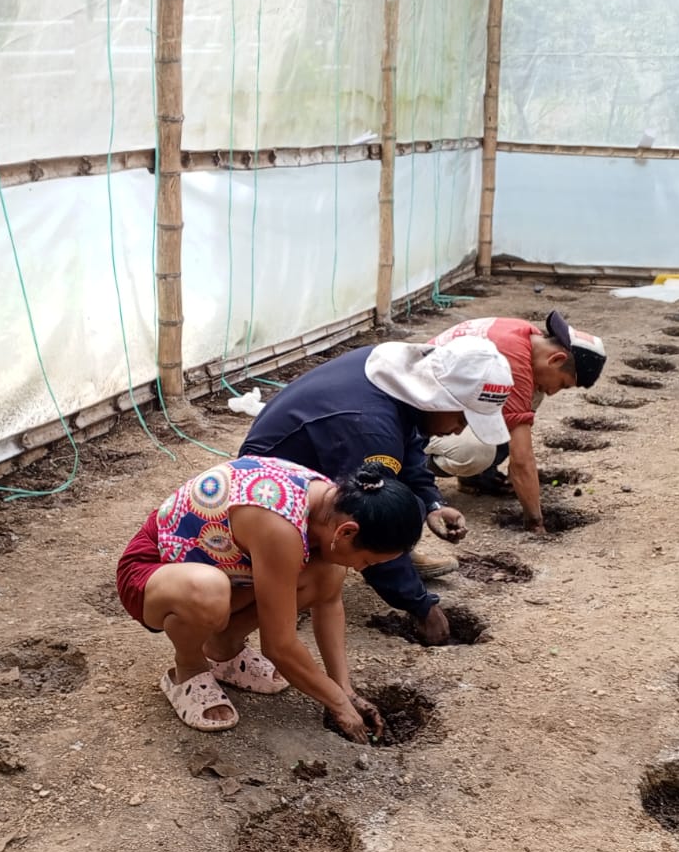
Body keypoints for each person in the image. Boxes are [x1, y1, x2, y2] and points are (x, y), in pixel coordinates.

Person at [115, 457, 423, 740]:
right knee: (208, 592)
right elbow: (279, 646)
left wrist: (345, 689)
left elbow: (328, 602)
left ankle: (224, 648)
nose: (360, 569)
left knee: (327, 573)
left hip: (222, 570)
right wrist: (338, 704)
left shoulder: (333, 504)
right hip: (152, 571)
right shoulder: (279, 527)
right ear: (346, 532)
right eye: (366, 560)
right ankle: (189, 667)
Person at [238, 337, 514, 646]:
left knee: (410, 507)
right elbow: (370, 520)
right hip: (265, 498)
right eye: (461, 418)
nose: (459, 430)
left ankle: (395, 555)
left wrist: (431, 501)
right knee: (371, 527)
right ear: (439, 397)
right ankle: (276, 589)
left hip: (308, 469)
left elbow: (409, 440)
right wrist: (420, 605)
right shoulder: (370, 429)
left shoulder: (398, 378)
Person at [422, 312, 608, 534]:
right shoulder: (513, 365)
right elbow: (522, 459)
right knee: (476, 452)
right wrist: (535, 523)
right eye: (562, 384)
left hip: (449, 401)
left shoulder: (526, 336)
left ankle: (476, 478)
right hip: (420, 416)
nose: (553, 392)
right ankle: (411, 464)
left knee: (528, 399)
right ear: (556, 359)